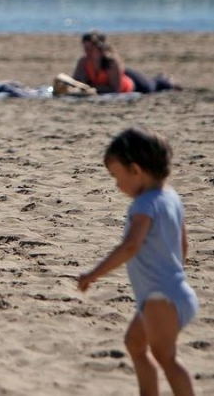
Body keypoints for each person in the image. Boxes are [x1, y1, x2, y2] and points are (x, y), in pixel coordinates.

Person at [78, 126, 198, 396]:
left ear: (135, 170)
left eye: (116, 176)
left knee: (167, 358)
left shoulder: (144, 205)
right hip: (172, 291)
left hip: (160, 297)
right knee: (135, 343)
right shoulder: (171, 197)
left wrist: (93, 274)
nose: (116, 184)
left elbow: (131, 245)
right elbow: (183, 244)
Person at [73, 31, 182, 94]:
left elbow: (115, 89)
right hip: (121, 75)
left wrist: (92, 87)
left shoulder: (111, 62)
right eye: (85, 48)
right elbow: (76, 83)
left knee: (151, 87)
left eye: (91, 49)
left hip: (129, 85)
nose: (87, 52)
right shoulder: (84, 62)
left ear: (100, 49)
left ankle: (166, 80)